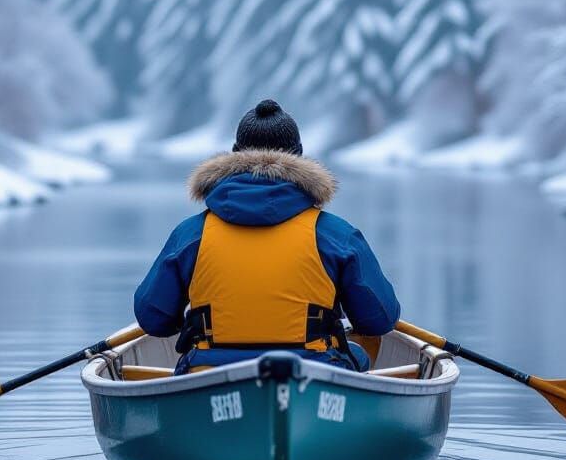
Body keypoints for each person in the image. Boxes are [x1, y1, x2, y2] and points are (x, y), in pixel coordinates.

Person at [134, 99, 400, 374]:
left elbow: (153, 319)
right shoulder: (336, 235)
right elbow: (380, 320)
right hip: (313, 371)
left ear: (235, 156)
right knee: (362, 347)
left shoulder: (190, 235)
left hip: (208, 372)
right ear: (298, 157)